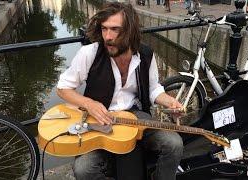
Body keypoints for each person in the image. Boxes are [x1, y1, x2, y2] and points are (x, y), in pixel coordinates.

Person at [56, 2, 183, 180]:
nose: (107, 36)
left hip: (135, 115)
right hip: (98, 119)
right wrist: (89, 104)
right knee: (84, 169)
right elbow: (63, 88)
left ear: (130, 31)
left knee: (174, 144)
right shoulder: (89, 53)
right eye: (104, 29)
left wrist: (170, 102)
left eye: (115, 29)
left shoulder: (146, 54)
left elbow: (154, 89)